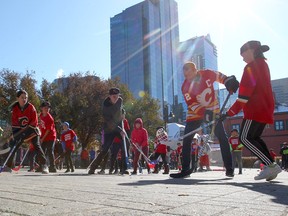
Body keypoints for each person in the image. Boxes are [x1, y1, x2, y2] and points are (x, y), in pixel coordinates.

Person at [170, 62, 239, 178]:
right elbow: (192, 104)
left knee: (222, 137)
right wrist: (204, 113)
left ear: (195, 70)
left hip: (213, 110)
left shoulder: (207, 73)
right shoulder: (185, 87)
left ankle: (229, 169)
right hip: (195, 114)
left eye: (189, 74)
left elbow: (219, 76)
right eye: (185, 75)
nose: (187, 77)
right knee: (187, 138)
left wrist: (227, 81)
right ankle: (186, 168)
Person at [225, 40, 282, 181]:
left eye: (243, 54)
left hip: (254, 109)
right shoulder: (263, 64)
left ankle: (270, 165)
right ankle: (271, 167)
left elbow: (244, 96)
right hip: (265, 109)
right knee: (254, 138)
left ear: (250, 51)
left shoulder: (251, 67)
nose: (242, 58)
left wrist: (228, 113)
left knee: (244, 138)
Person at [5, 89, 49, 174]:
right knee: (14, 145)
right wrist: (17, 135)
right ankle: (9, 166)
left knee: (37, 145)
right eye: (22, 97)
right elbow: (15, 124)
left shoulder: (31, 107)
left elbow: (34, 122)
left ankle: (44, 165)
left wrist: (26, 131)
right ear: (17, 98)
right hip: (21, 131)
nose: (24, 99)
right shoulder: (15, 109)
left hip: (32, 130)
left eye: (26, 98)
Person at [88, 87, 125, 174]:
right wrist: (120, 131)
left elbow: (121, 109)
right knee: (105, 149)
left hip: (118, 126)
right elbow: (110, 123)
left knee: (125, 143)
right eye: (113, 96)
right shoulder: (105, 106)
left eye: (117, 96)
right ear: (109, 96)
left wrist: (123, 113)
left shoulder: (120, 100)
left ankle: (124, 168)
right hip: (109, 129)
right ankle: (93, 168)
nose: (116, 98)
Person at [109, 109, 130, 175]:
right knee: (114, 155)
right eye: (121, 115)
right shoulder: (115, 122)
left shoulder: (125, 122)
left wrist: (127, 138)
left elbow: (128, 131)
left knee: (124, 154)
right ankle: (112, 168)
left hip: (123, 140)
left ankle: (124, 168)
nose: (123, 116)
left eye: (124, 115)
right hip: (116, 140)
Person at [39, 101, 57, 173]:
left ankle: (53, 167)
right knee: (41, 151)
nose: (47, 109)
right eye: (45, 107)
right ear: (41, 108)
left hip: (51, 136)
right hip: (43, 136)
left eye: (48, 108)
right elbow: (39, 126)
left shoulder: (50, 118)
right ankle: (42, 166)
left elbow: (48, 130)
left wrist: (42, 139)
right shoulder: (40, 116)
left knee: (50, 150)